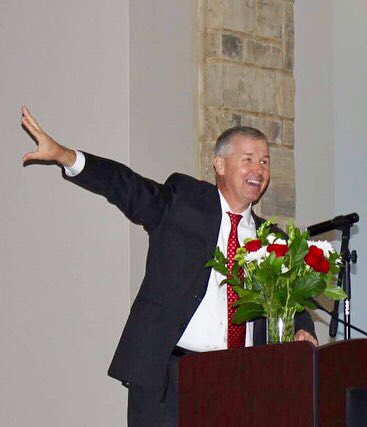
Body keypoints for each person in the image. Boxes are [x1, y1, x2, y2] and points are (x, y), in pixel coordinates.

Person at [19, 106, 318, 426]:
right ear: (220, 164)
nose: (258, 169)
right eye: (248, 159)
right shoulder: (184, 202)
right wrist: (65, 156)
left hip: (240, 380)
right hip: (171, 377)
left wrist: (305, 330)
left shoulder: (272, 240)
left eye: (265, 162)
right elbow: (128, 187)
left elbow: (293, 300)